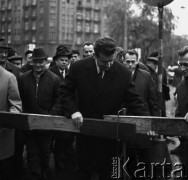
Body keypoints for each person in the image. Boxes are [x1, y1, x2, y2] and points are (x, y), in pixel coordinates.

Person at [56, 36, 150, 180]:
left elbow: (134, 101)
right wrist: (73, 110)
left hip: (109, 137)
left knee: (108, 173)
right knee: (83, 172)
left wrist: (149, 123)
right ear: (94, 55)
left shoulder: (123, 74)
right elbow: (65, 92)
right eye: (104, 61)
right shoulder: (78, 68)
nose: (108, 64)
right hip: (84, 132)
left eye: (111, 60)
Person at [18, 48, 62, 180]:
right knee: (32, 154)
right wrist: (26, 115)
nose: (38, 65)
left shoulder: (55, 79)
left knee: (45, 153)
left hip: (47, 125)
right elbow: (19, 100)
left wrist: (49, 116)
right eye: (35, 62)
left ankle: (44, 174)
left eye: (41, 62)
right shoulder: (23, 79)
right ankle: (36, 176)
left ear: (46, 62)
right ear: (31, 62)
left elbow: (59, 100)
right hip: (30, 124)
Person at [49, 45, 75, 170]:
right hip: (54, 111)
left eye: (66, 60)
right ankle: (54, 162)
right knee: (54, 138)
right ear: (56, 60)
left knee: (66, 138)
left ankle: (63, 160)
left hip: (68, 112)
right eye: (61, 60)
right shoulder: (50, 73)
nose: (64, 62)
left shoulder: (70, 72)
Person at [0, 43, 22, 180]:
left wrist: (10, 118)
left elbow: (16, 104)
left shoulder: (9, 77)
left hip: (2, 133)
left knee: (4, 170)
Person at [122, 49, 159, 116]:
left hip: (142, 115)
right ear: (124, 61)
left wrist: (155, 121)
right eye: (128, 62)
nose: (130, 64)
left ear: (137, 61)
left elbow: (153, 102)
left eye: (133, 62)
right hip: (123, 117)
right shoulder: (119, 76)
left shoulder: (146, 76)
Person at [146, 51, 170, 117]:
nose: (157, 63)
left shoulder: (163, 69)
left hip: (161, 100)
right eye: (156, 60)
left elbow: (164, 83)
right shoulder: (146, 71)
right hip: (152, 103)